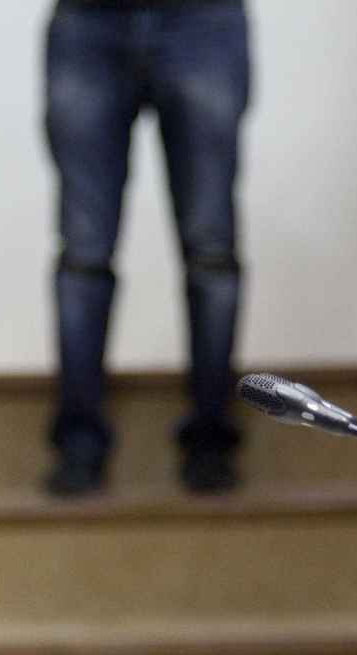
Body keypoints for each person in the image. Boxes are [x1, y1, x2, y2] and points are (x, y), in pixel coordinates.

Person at [42, 0, 251, 496]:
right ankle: (78, 444)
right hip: (87, 20)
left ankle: (211, 441)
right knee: (84, 253)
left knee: (211, 251)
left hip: (204, 21)